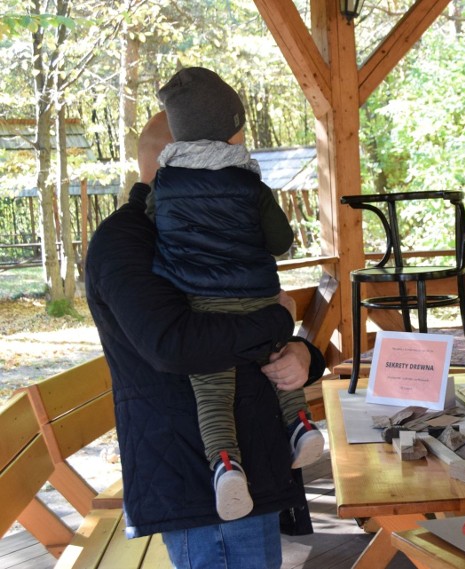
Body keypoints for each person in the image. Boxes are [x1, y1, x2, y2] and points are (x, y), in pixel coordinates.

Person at [85, 111, 326, 568]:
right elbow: (175, 345)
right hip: (197, 477)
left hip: (250, 463)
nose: (237, 162)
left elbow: (246, 320)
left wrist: (302, 355)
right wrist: (278, 320)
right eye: (228, 150)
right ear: (177, 157)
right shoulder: (127, 241)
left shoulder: (215, 221)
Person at [151, 67, 324, 521]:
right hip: (259, 299)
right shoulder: (250, 184)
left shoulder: (164, 186)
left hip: (202, 307)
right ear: (231, 128)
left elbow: (154, 232)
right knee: (280, 364)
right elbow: (280, 241)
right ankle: (302, 426)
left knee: (211, 390)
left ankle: (227, 468)